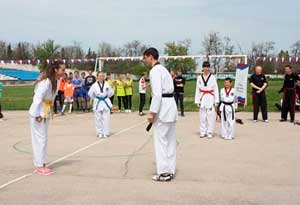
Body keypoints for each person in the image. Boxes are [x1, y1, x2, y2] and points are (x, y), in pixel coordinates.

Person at [144, 47, 177, 182]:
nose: (144, 60)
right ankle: (170, 169)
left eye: (145, 58)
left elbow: (157, 94)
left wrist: (152, 113)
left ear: (151, 57)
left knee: (160, 141)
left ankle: (163, 172)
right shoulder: (164, 70)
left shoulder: (155, 71)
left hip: (163, 107)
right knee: (170, 140)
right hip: (170, 106)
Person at [29, 60, 65, 175]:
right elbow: (37, 98)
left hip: (46, 111)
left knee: (43, 138)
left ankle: (42, 163)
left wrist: (47, 113)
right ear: (56, 70)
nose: (64, 72)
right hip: (38, 113)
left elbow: (51, 99)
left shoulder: (55, 81)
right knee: (40, 139)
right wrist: (37, 114)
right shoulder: (46, 82)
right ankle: (40, 165)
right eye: (62, 69)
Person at [194, 61, 219, 138]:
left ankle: (210, 132)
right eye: (205, 67)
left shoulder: (212, 77)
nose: (206, 68)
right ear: (203, 68)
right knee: (202, 116)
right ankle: (202, 132)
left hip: (210, 97)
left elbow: (215, 89)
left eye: (207, 67)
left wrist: (216, 100)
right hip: (202, 97)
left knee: (210, 116)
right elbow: (197, 89)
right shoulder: (199, 78)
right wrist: (197, 100)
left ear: (209, 68)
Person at [88, 72, 114, 138]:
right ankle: (99, 132)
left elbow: (111, 93)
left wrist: (106, 97)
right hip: (98, 101)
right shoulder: (94, 85)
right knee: (98, 118)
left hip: (105, 101)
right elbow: (90, 94)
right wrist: (95, 98)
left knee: (106, 118)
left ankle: (106, 132)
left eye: (102, 76)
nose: (101, 77)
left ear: (104, 77)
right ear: (97, 77)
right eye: (100, 76)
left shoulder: (107, 84)